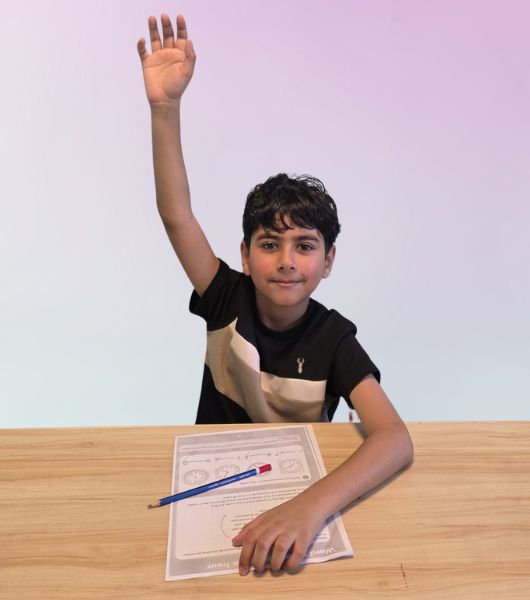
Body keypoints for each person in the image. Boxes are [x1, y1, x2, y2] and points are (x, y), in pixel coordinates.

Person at [137, 14, 413, 576]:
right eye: (269, 244)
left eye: (304, 246)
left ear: (328, 261)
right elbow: (176, 214)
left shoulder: (334, 339)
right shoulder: (224, 296)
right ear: (245, 255)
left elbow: (394, 439)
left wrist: (309, 508)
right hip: (211, 483)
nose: (287, 260)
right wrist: (165, 109)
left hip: (296, 491)